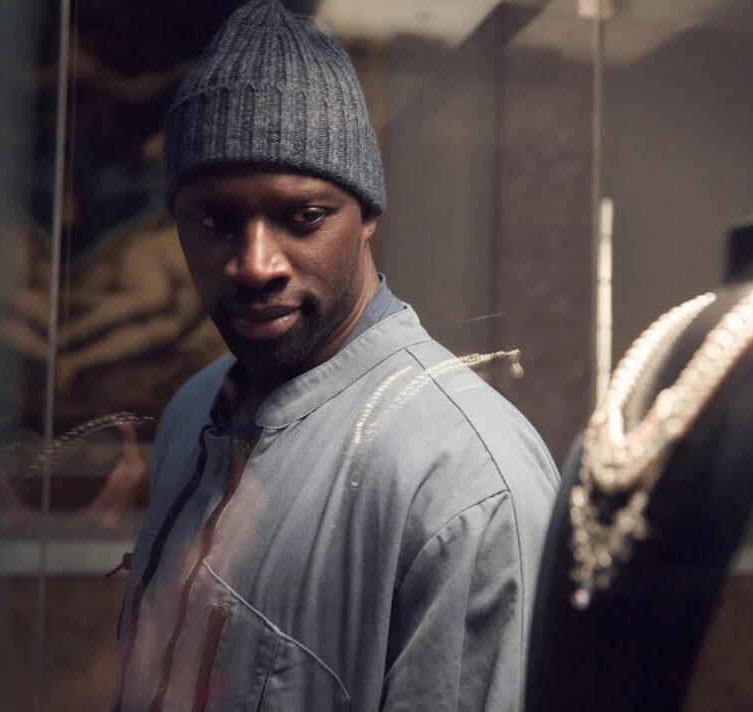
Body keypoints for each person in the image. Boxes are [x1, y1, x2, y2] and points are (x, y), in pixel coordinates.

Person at [111, 1, 559, 711]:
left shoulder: (466, 482)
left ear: (367, 214)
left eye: (303, 217)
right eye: (215, 220)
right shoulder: (192, 411)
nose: (255, 264)